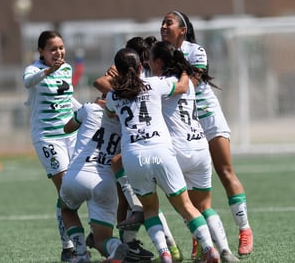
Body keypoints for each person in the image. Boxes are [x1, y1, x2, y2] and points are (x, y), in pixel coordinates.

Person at [105, 47, 220, 263]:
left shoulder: (113, 95)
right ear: (141, 66)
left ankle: (165, 254)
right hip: (161, 152)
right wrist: (185, 69)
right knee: (186, 206)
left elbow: (110, 110)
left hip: (134, 157)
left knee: (150, 208)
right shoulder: (155, 84)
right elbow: (183, 86)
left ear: (117, 70)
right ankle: (209, 249)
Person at [160, 11, 254, 257]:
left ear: (182, 29)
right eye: (162, 22)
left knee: (225, 170)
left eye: (168, 22)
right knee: (191, 186)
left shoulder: (195, 51)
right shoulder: (159, 54)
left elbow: (187, 85)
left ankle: (244, 229)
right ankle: (199, 238)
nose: (163, 26)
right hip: (183, 123)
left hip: (207, 117)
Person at [94, 36, 184, 261]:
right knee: (131, 195)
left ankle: (164, 243)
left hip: (151, 139)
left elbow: (107, 90)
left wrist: (119, 92)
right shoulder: (134, 75)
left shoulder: (150, 78)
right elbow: (99, 82)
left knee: (145, 200)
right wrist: (120, 91)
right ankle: (131, 243)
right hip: (139, 141)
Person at [150, 40, 240, 262]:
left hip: (177, 151)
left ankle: (199, 248)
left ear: (159, 62)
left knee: (184, 207)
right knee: (205, 206)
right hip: (200, 147)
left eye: (150, 59)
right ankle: (225, 250)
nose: (148, 63)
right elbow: (182, 83)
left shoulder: (158, 84)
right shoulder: (189, 82)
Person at [23, 30, 81, 262]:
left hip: (71, 134)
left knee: (81, 186)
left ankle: (86, 239)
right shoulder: (34, 70)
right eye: (53, 49)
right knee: (66, 190)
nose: (58, 52)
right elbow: (28, 82)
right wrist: (48, 71)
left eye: (61, 47)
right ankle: (68, 247)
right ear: (41, 52)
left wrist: (88, 110)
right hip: (48, 137)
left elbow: (67, 100)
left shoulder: (67, 69)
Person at [59, 98, 131, 263]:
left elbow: (67, 128)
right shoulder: (126, 119)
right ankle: (114, 247)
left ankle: (82, 254)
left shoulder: (91, 109)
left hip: (77, 175)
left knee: (67, 210)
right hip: (105, 182)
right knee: (101, 240)